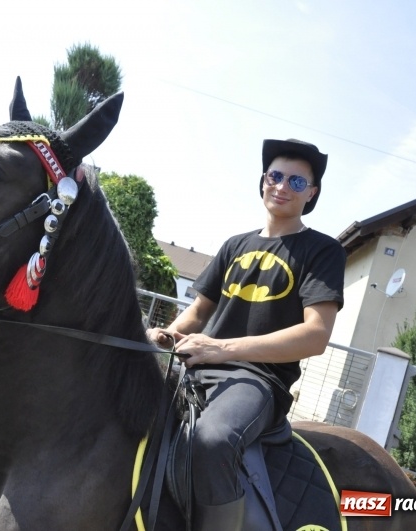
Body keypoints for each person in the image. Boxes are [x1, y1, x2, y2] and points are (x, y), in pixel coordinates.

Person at [148, 138, 345, 530]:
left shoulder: (323, 250)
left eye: (296, 182)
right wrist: (167, 336)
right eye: (275, 176)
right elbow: (201, 310)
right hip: (196, 362)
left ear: (312, 194)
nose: (282, 186)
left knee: (213, 440)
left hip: (257, 380)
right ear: (263, 181)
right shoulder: (234, 245)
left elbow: (316, 334)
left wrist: (222, 348)